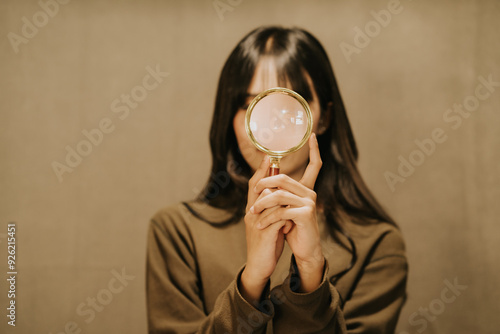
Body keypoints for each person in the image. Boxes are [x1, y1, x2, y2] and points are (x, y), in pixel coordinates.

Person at [146, 26, 408, 333]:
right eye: (248, 105)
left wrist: (311, 273)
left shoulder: (377, 245)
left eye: (287, 106)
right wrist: (251, 280)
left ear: (322, 117)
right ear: (229, 117)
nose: (267, 126)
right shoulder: (177, 231)